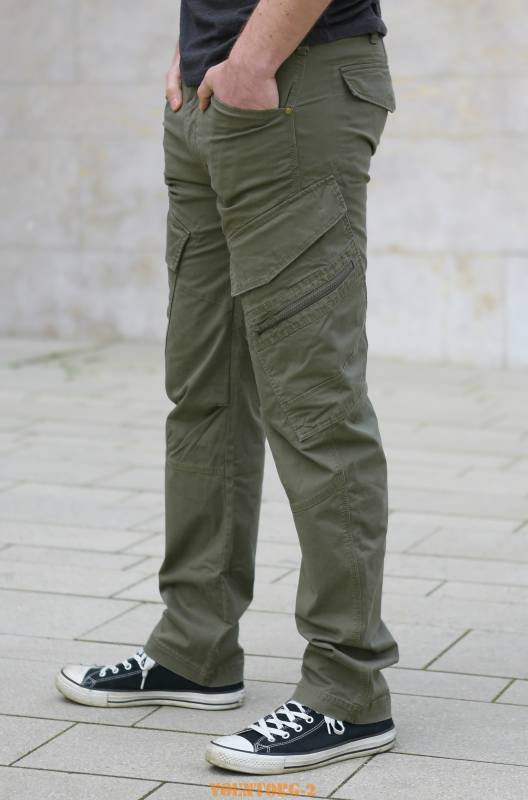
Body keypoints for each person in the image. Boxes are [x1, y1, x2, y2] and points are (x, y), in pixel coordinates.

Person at [56, 0, 399, 774]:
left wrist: (252, 60)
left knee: (313, 404)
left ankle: (348, 690)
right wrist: (198, 50)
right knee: (203, 392)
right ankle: (194, 648)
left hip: (293, 82)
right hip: (212, 90)